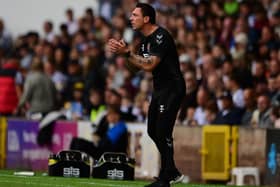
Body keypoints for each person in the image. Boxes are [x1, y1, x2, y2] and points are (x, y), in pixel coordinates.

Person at [108, 3, 186, 187]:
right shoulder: (144, 42)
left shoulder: (161, 36)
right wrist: (125, 55)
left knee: (162, 130)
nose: (130, 18)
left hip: (172, 88)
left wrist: (128, 53)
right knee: (153, 130)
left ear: (146, 19)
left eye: (135, 15)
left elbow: (150, 65)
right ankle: (172, 171)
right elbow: (135, 69)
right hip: (160, 89)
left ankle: (166, 177)